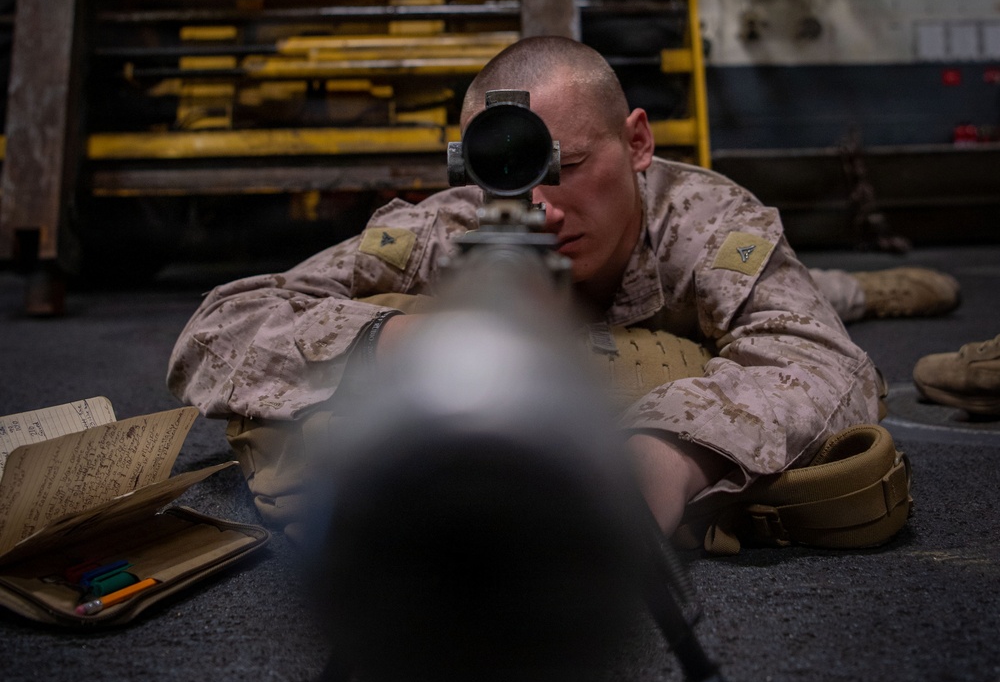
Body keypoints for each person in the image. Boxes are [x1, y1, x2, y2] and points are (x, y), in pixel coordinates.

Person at [168, 37, 889, 539]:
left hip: (717, 303)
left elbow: (828, 364)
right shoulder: (449, 228)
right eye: (509, 179)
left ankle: (887, 287)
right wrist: (397, 342)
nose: (538, 208)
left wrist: (667, 457)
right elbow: (217, 328)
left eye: (565, 166)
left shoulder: (706, 222)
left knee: (842, 297)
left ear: (637, 143)